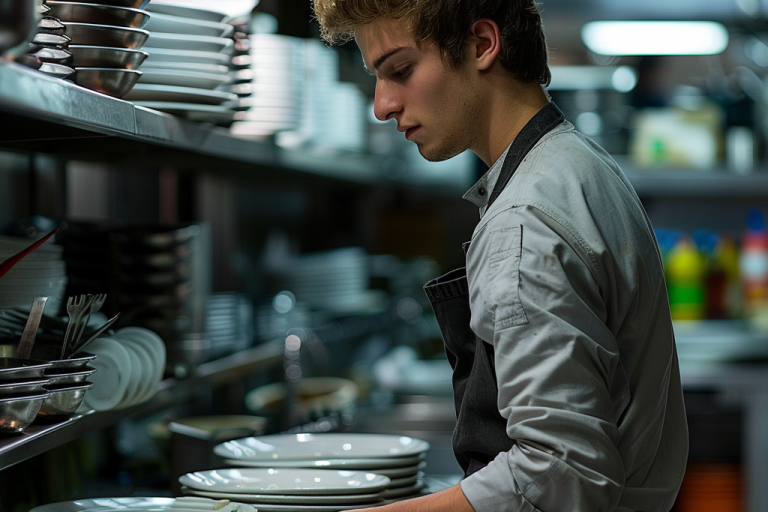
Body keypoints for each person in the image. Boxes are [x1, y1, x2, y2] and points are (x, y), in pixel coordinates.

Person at [312, 0, 689, 510]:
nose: (382, 104)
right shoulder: (580, 167)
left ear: (482, 44)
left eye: (400, 70)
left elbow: (559, 475)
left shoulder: (524, 218)